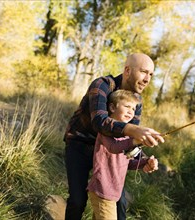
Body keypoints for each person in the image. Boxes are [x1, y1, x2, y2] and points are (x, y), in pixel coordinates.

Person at [64, 53, 165, 220]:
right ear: (127, 70)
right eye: (143, 72)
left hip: (109, 154)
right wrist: (133, 130)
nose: (148, 79)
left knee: (120, 206)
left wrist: (143, 161)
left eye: (151, 74)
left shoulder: (136, 100)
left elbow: (128, 143)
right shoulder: (102, 85)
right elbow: (99, 122)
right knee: (77, 200)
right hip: (81, 144)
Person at [87, 89, 159, 220]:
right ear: (112, 107)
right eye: (127, 106)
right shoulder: (105, 131)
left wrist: (145, 162)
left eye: (133, 108)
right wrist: (134, 140)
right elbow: (113, 147)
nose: (131, 111)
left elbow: (128, 162)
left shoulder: (126, 137)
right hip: (102, 190)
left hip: (113, 192)